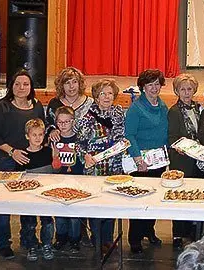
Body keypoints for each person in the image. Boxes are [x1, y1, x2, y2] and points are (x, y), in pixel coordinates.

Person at [0, 70, 46, 260]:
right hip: (7, 160)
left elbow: (41, 129)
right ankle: (3, 243)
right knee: (4, 205)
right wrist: (13, 151)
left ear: (31, 87)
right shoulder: (2, 106)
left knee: (29, 202)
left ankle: (28, 239)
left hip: (30, 161)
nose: (21, 88)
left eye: (26, 84)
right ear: (11, 86)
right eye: (17, 84)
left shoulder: (37, 106)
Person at [75, 79, 125, 254]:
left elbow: (121, 138)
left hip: (114, 168)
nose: (106, 96)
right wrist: (85, 156)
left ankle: (108, 240)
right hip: (95, 169)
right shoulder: (87, 117)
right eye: (102, 93)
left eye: (110, 93)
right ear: (95, 97)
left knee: (111, 204)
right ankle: (97, 241)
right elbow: (78, 144)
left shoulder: (118, 113)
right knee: (96, 206)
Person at [124, 69, 168, 254]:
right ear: (142, 87)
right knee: (139, 200)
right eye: (150, 84)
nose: (154, 88)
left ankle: (149, 231)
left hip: (158, 161)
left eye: (157, 84)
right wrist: (138, 159)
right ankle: (134, 238)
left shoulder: (163, 105)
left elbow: (165, 132)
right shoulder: (136, 108)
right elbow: (129, 135)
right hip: (141, 161)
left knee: (154, 199)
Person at [168, 73, 204, 250]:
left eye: (189, 89)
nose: (186, 92)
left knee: (194, 196)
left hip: (197, 160)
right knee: (179, 197)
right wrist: (181, 146)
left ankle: (191, 232)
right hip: (181, 160)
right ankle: (177, 234)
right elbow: (172, 137)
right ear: (176, 91)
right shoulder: (174, 111)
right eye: (182, 89)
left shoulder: (199, 108)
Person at [17, 119, 58, 261]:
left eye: (40, 134)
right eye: (34, 135)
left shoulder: (48, 151)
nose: (37, 138)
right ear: (27, 136)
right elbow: (19, 178)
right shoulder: (22, 155)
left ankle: (47, 244)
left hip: (46, 195)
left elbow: (55, 170)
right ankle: (32, 246)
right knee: (29, 223)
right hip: (28, 196)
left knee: (47, 222)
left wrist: (57, 155)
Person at [52, 106, 85, 254]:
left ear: (73, 121)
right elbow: (55, 166)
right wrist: (56, 155)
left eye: (67, 121)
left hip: (78, 178)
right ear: (56, 122)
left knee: (75, 214)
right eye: (60, 122)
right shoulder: (54, 139)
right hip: (60, 179)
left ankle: (75, 240)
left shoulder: (79, 138)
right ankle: (60, 238)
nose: (63, 125)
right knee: (59, 213)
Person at [46, 67, 94, 142]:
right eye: (67, 83)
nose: (71, 86)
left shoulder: (90, 103)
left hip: (85, 146)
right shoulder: (54, 103)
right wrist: (52, 131)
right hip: (59, 146)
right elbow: (47, 123)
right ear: (61, 86)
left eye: (74, 82)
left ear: (80, 83)